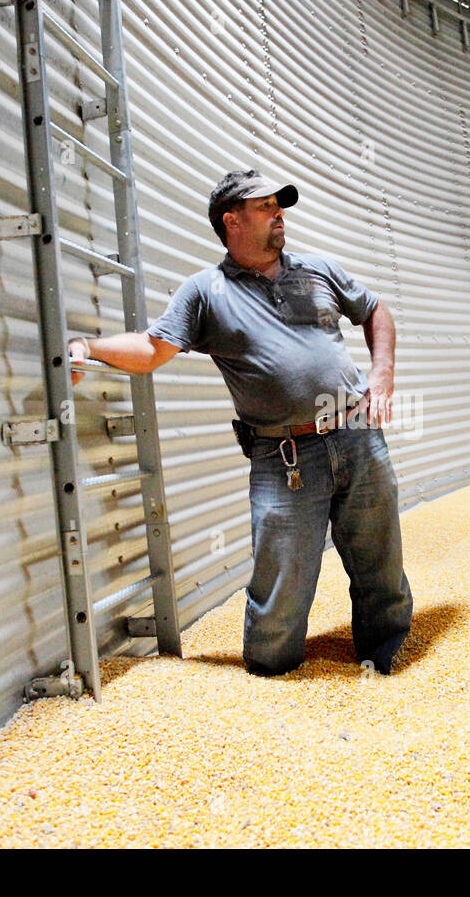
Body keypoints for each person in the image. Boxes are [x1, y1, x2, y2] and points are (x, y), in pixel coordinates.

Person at [67, 169, 413, 677]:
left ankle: (386, 653)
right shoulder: (205, 292)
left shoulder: (317, 269)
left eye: (281, 204)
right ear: (232, 220)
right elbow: (150, 348)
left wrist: (381, 376)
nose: (280, 214)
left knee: (379, 558)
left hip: (359, 436)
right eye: (266, 205)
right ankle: (272, 672)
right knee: (282, 584)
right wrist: (87, 347)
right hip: (286, 457)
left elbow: (375, 310)